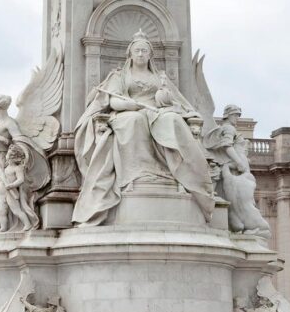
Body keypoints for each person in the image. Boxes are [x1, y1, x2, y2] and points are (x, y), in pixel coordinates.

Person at [72, 31, 214, 226]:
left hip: (156, 112)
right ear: (130, 54)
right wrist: (128, 105)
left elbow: (173, 100)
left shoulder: (160, 77)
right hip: (127, 112)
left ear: (150, 55)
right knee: (135, 121)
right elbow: (112, 100)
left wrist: (164, 97)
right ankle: (136, 175)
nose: (140, 54)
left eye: (144, 51)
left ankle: (178, 174)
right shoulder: (119, 75)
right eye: (137, 50)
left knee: (173, 120)